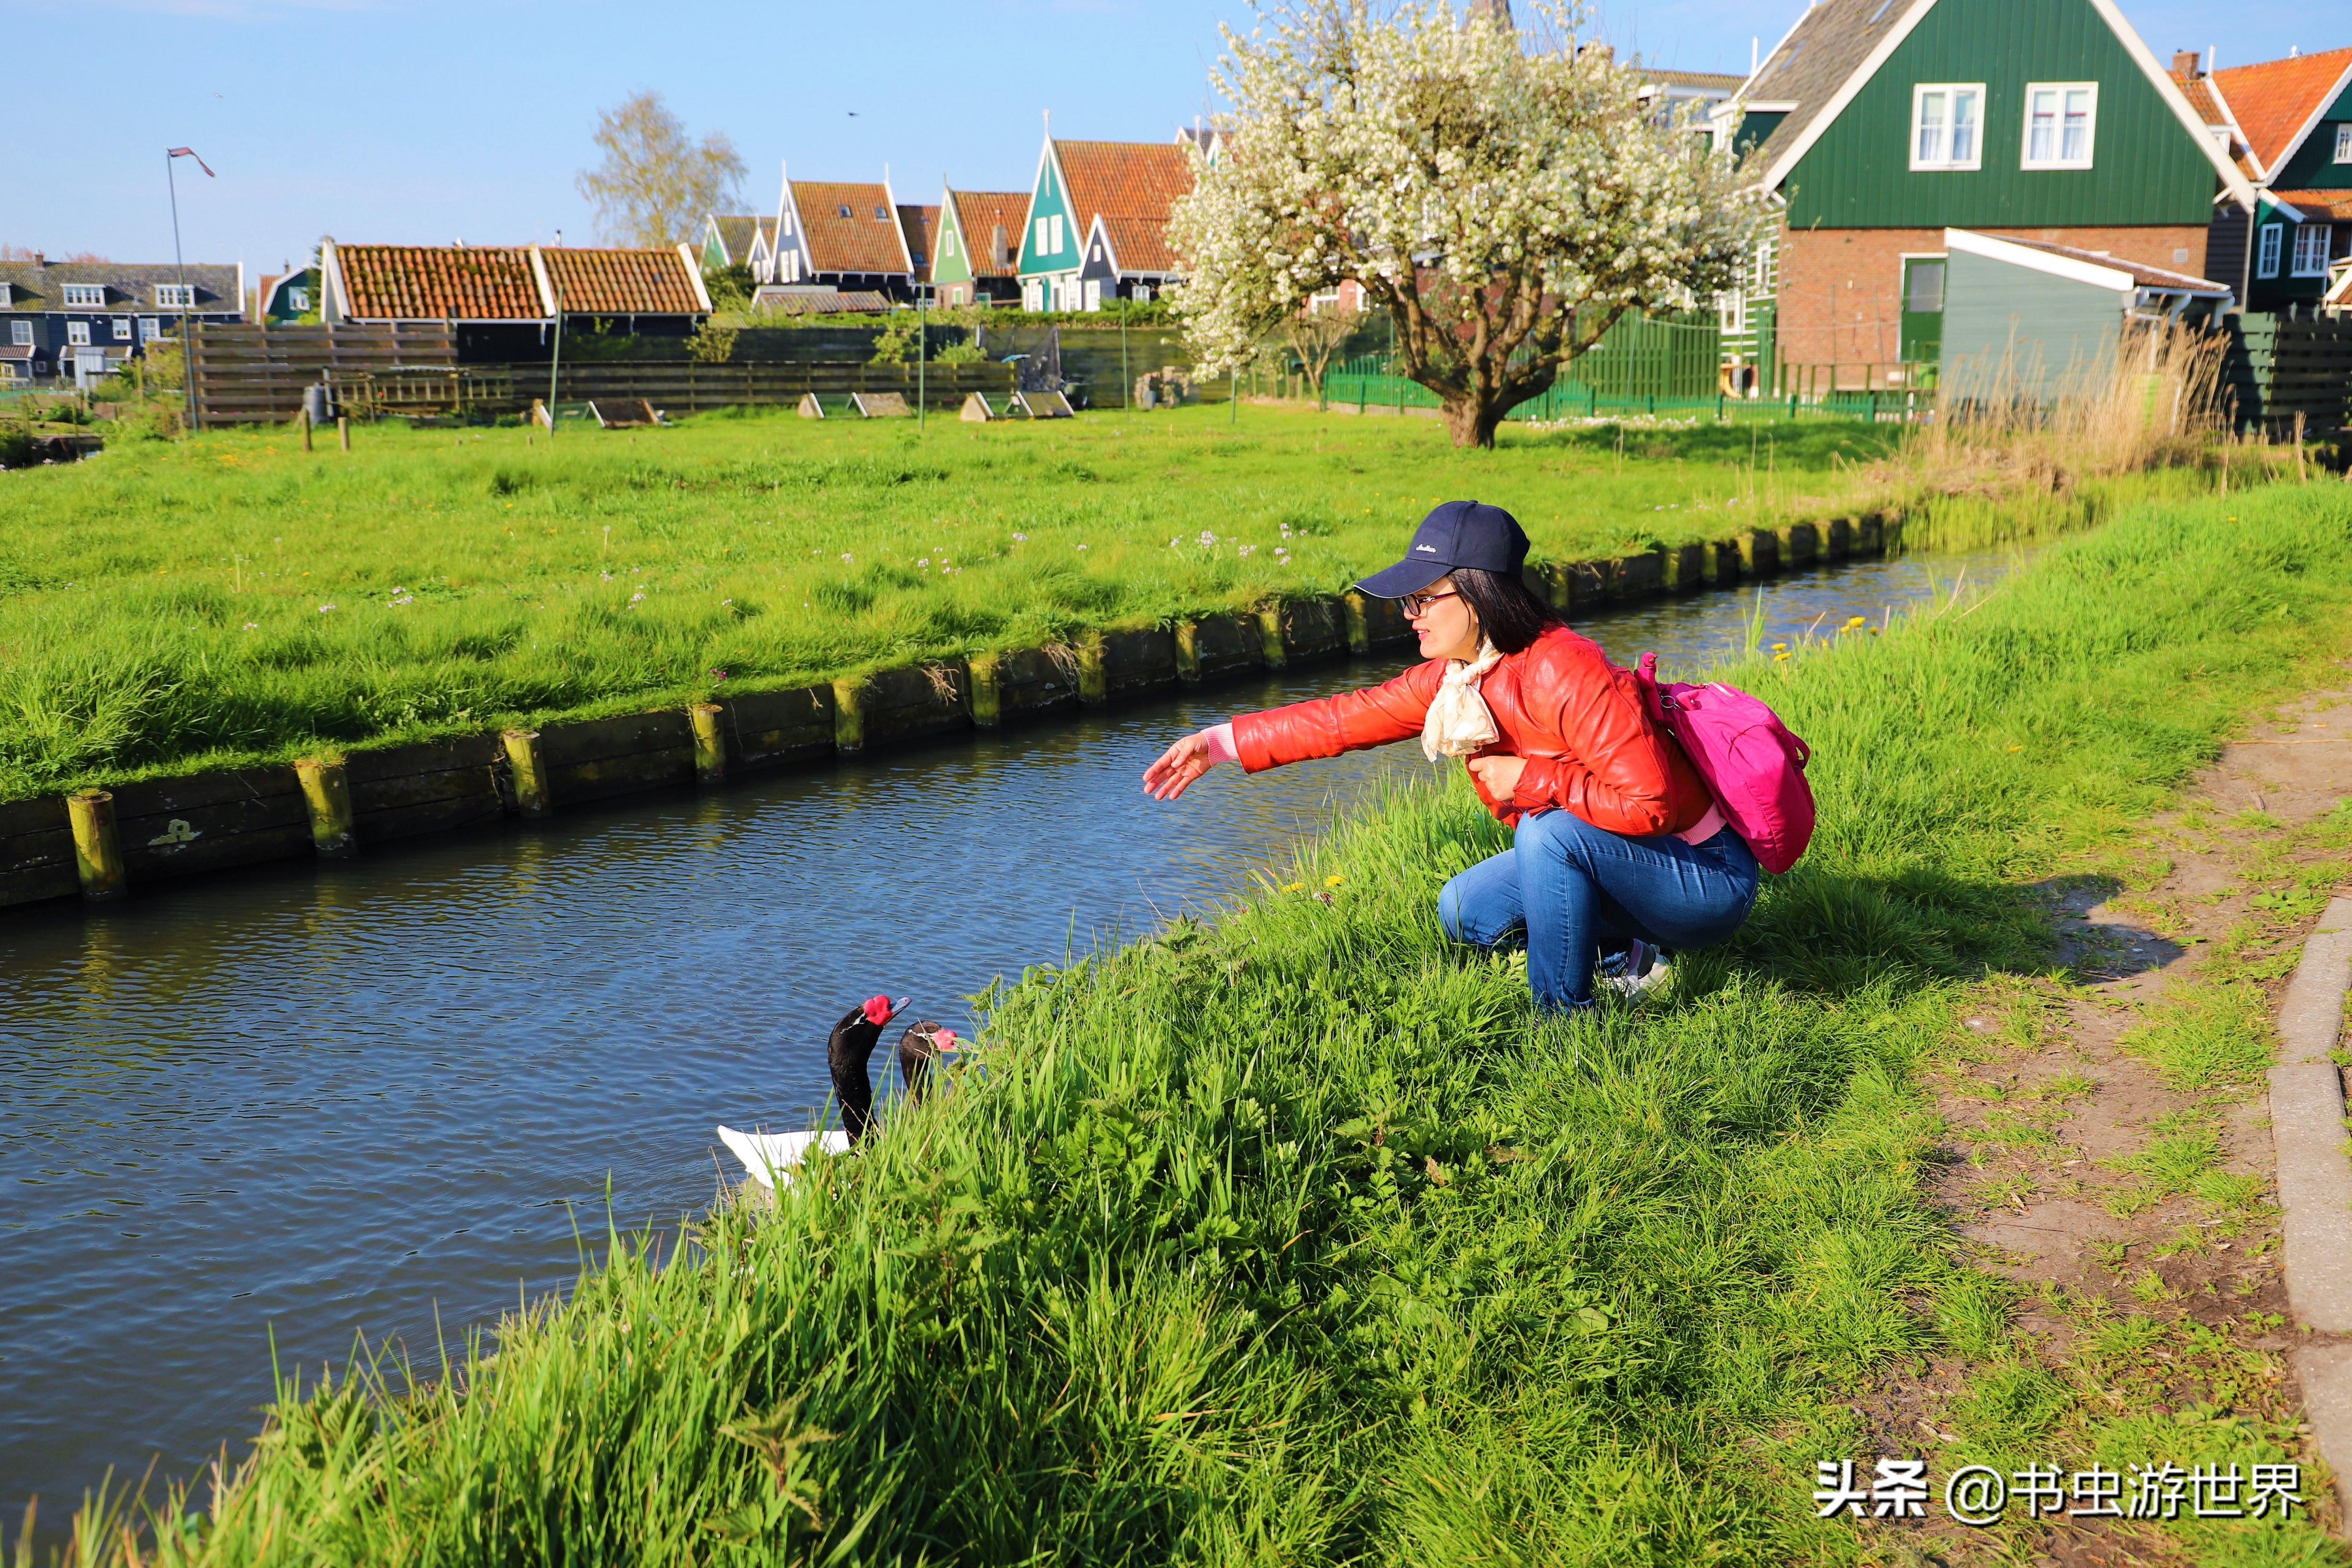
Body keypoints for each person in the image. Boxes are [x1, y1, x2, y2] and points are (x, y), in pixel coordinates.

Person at [1141, 500, 1759, 1013]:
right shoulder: (1461, 677)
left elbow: (1650, 803)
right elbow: (1344, 716)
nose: (1409, 616)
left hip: (1703, 877)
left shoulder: (1567, 669)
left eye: (1421, 599)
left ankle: (1567, 1026)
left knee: (1547, 834)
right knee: (1466, 909)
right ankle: (1628, 956)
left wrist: (1531, 776)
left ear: (1477, 593)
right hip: (1612, 852)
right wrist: (1219, 743)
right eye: (1405, 603)